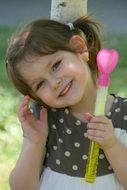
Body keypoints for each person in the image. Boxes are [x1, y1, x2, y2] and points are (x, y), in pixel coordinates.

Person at [6, 16, 127, 190]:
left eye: (55, 65)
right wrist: (35, 143)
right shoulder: (46, 120)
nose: (54, 83)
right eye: (40, 84)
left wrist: (112, 145)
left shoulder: (123, 113)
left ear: (79, 48)